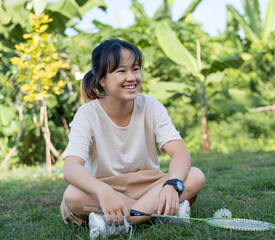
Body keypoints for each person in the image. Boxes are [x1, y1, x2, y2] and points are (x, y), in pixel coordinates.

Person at [60, 39, 205, 239]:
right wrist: (103, 191)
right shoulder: (87, 114)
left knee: (195, 176)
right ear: (102, 79)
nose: (131, 77)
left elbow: (179, 153)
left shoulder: (151, 106)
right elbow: (71, 168)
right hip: (107, 186)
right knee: (73, 196)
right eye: (121, 71)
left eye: (135, 69)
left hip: (149, 183)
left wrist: (171, 185)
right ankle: (162, 213)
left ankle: (118, 222)